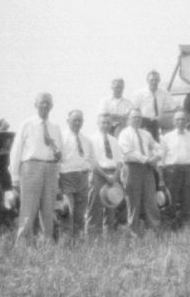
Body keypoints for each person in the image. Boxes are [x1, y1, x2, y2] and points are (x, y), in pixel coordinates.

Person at [9, 92, 63, 242]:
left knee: (48, 208)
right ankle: (23, 243)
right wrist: (14, 177)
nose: (45, 105)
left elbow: (61, 153)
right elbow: (16, 150)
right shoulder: (27, 124)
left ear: (52, 106)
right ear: (36, 105)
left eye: (48, 103)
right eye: (42, 102)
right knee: (28, 208)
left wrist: (58, 160)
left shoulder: (56, 127)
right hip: (31, 167)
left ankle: (47, 243)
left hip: (51, 168)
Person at [118, 108, 162, 236]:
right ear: (128, 120)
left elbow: (157, 147)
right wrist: (147, 159)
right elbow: (128, 152)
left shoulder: (146, 134)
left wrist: (157, 156)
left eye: (139, 117)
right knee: (133, 200)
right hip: (132, 168)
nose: (137, 120)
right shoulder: (124, 134)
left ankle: (154, 228)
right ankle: (133, 230)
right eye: (134, 117)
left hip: (147, 169)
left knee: (150, 198)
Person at [160, 110, 190, 225]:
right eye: (178, 119)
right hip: (172, 170)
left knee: (187, 196)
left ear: (187, 121)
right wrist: (164, 170)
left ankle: (186, 222)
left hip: (188, 169)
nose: (180, 122)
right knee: (172, 196)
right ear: (174, 122)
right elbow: (162, 156)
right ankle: (171, 222)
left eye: (183, 119)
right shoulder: (167, 137)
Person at [87, 113, 124, 236]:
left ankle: (110, 236)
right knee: (95, 206)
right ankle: (93, 237)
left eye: (108, 123)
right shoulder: (91, 140)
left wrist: (115, 175)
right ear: (98, 124)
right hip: (99, 175)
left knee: (112, 205)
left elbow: (119, 160)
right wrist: (105, 175)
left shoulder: (114, 140)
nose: (106, 125)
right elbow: (93, 161)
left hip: (113, 174)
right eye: (103, 122)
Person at [59, 110, 92, 239]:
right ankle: (66, 244)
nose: (77, 123)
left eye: (80, 120)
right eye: (74, 120)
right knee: (68, 212)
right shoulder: (61, 138)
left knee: (80, 213)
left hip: (83, 178)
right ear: (68, 121)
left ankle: (78, 243)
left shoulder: (86, 140)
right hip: (67, 177)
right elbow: (57, 160)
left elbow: (90, 159)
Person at [133, 70, 176, 141]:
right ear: (147, 81)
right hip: (144, 123)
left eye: (156, 80)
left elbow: (174, 107)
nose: (154, 82)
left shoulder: (164, 93)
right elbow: (134, 111)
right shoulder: (139, 94)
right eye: (152, 80)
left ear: (159, 80)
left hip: (158, 121)